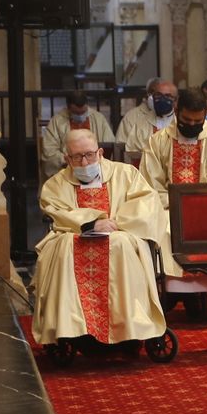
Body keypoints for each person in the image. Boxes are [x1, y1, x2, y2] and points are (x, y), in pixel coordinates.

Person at [31, 128, 168, 349]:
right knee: (65, 245)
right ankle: (73, 328)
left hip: (119, 235)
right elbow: (56, 211)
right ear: (67, 158)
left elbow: (146, 204)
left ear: (100, 152)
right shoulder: (55, 185)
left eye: (89, 155)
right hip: (74, 235)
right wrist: (90, 223)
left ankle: (128, 326)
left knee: (121, 243)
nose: (84, 163)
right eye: (77, 157)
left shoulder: (126, 174)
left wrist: (117, 223)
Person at [140, 84, 207, 300]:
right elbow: (150, 186)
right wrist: (177, 204)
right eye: (187, 121)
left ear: (205, 114)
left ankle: (199, 292)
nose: (192, 125)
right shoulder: (158, 142)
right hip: (167, 208)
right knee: (162, 229)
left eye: (198, 122)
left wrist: (198, 206)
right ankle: (168, 289)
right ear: (176, 112)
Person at [40, 88, 116, 180]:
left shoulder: (98, 118)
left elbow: (109, 144)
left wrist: (93, 159)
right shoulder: (57, 121)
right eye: (76, 113)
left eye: (83, 112)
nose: (80, 116)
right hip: (67, 169)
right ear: (68, 108)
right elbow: (50, 152)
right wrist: (70, 160)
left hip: (95, 169)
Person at [117, 77, 178, 159]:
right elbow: (132, 152)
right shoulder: (141, 124)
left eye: (168, 96)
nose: (162, 99)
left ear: (175, 100)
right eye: (158, 95)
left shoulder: (180, 122)